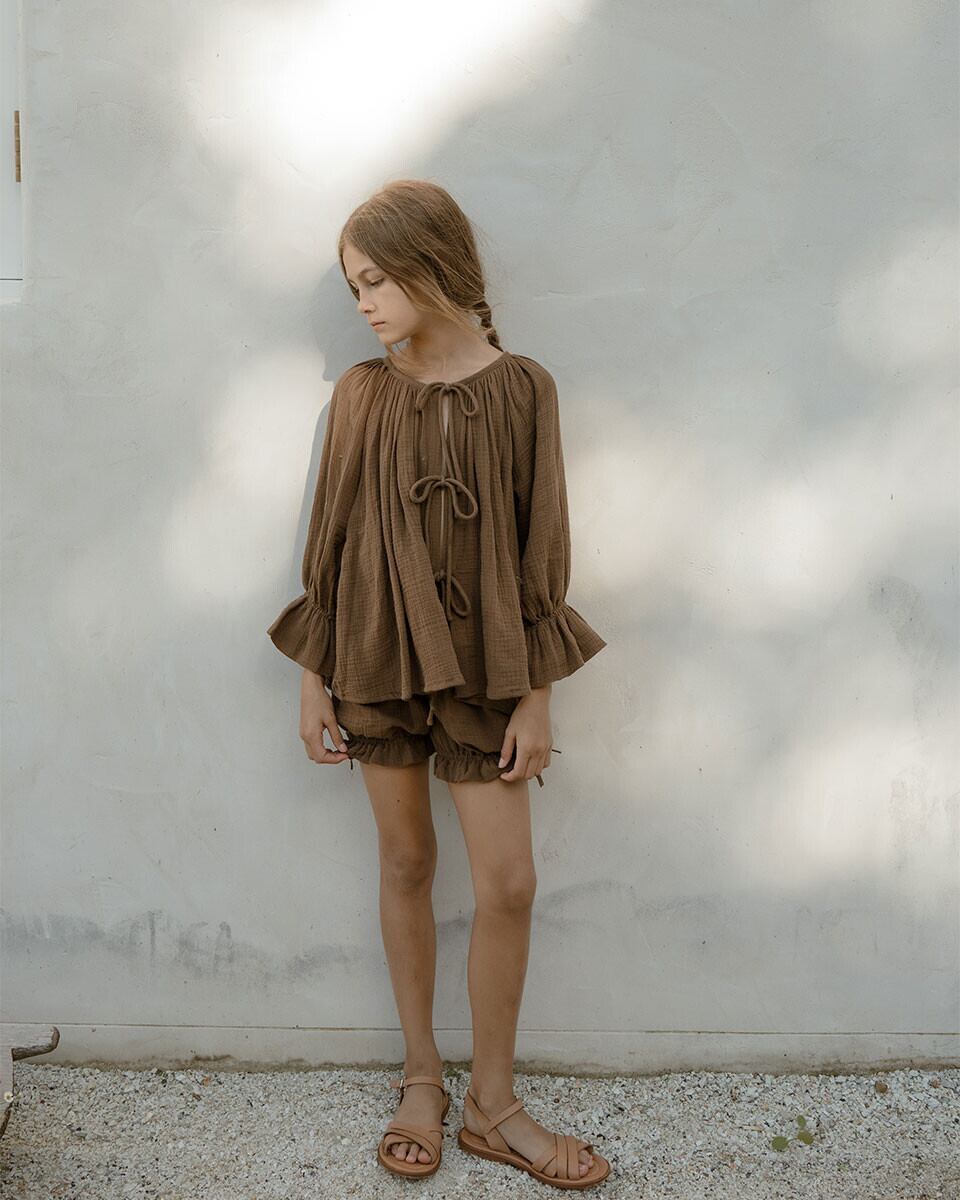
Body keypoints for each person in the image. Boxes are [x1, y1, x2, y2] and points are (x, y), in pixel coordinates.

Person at [267, 179, 611, 1189]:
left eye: (376, 280)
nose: (364, 303)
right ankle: (422, 1078)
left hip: (488, 667)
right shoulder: (360, 394)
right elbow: (331, 542)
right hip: (376, 655)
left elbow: (542, 546)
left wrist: (538, 694)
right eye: (353, 286)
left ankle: (494, 1106)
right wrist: (314, 680)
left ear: (430, 264)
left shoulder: (525, 389)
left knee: (509, 883)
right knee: (407, 861)